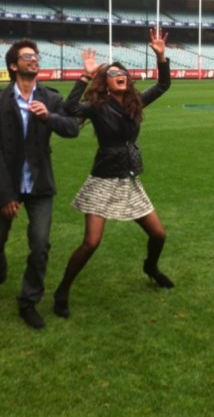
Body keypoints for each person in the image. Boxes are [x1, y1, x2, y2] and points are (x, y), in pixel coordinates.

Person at [53, 28, 174, 319]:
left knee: (159, 235)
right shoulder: (98, 107)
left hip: (129, 179)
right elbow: (69, 108)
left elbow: (163, 86)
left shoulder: (135, 103)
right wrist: (86, 76)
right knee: (91, 243)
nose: (120, 74)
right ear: (106, 85)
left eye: (123, 72)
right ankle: (62, 290)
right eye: (113, 73)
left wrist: (161, 57)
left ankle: (151, 267)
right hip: (104, 180)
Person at [0, 38, 79, 329]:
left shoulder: (50, 97)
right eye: (27, 56)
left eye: (36, 56)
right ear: (13, 65)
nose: (34, 60)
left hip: (39, 185)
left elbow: (72, 129)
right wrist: (6, 194)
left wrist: (50, 118)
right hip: (7, 184)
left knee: (40, 244)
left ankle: (28, 301)